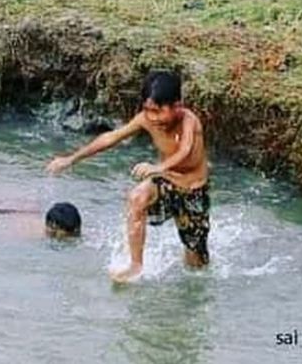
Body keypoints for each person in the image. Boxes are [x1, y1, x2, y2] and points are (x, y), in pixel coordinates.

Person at [46, 70, 210, 283]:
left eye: (158, 111)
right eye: (148, 110)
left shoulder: (189, 120)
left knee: (196, 266)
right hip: (166, 179)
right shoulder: (145, 119)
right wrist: (71, 159)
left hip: (193, 190)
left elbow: (185, 151)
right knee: (137, 197)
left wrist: (158, 167)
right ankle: (135, 265)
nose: (153, 118)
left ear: (177, 105)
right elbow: (110, 138)